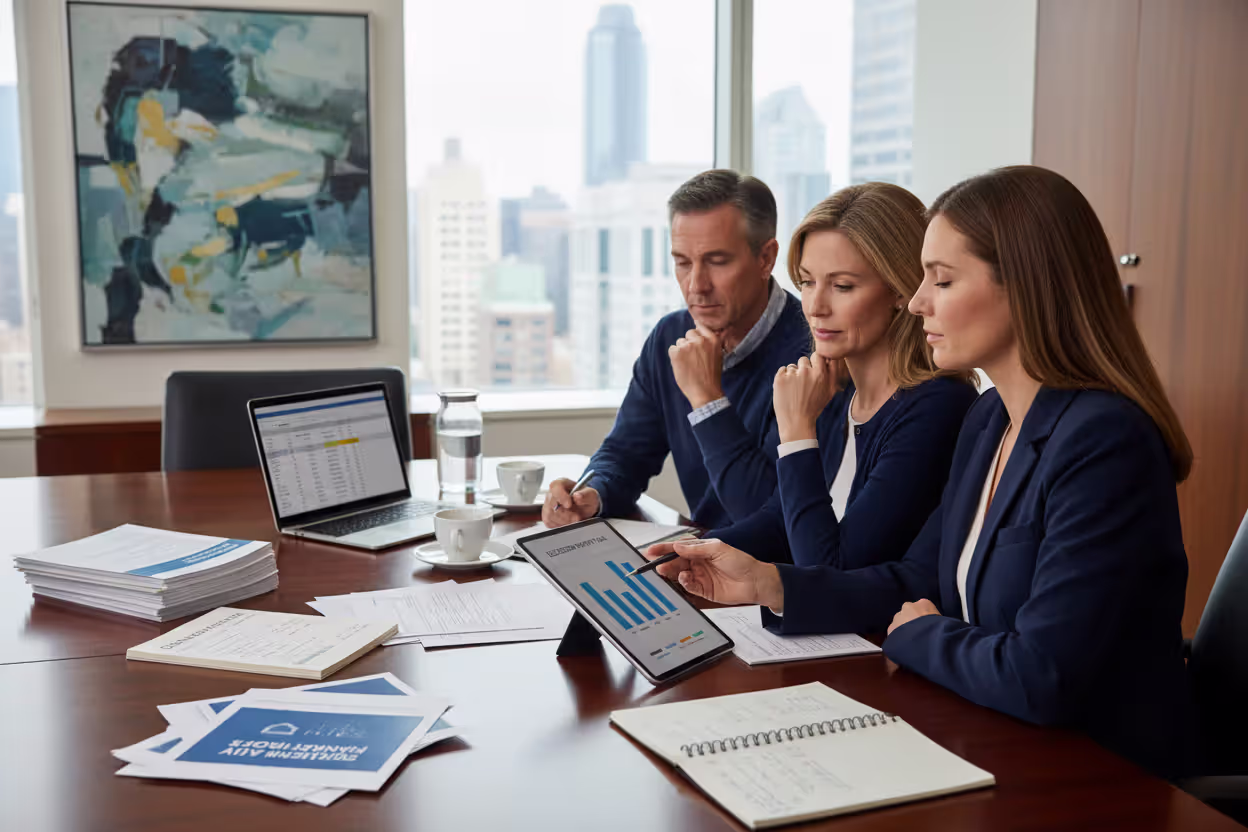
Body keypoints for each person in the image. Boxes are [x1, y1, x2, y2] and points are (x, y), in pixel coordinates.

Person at [644, 166, 1196, 780]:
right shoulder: (992, 419)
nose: (917, 301)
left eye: (943, 280)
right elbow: (916, 576)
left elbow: (1044, 675)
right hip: (991, 740)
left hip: (1093, 779)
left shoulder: (1102, 443)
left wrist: (920, 633)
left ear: (1027, 286)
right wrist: (769, 584)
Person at [696, 183, 978, 568]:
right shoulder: (835, 390)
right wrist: (693, 553)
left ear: (901, 290)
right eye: (808, 282)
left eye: (842, 286)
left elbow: (831, 568)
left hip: (874, 629)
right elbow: (780, 522)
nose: (815, 307)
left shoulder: (938, 407)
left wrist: (796, 434)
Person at [541, 170, 811, 529]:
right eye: (682, 262)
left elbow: (770, 520)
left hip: (771, 575)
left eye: (717, 262)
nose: (696, 286)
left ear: (765, 259)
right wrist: (592, 494)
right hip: (698, 562)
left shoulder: (812, 356)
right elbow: (625, 453)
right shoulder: (670, 335)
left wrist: (708, 400)